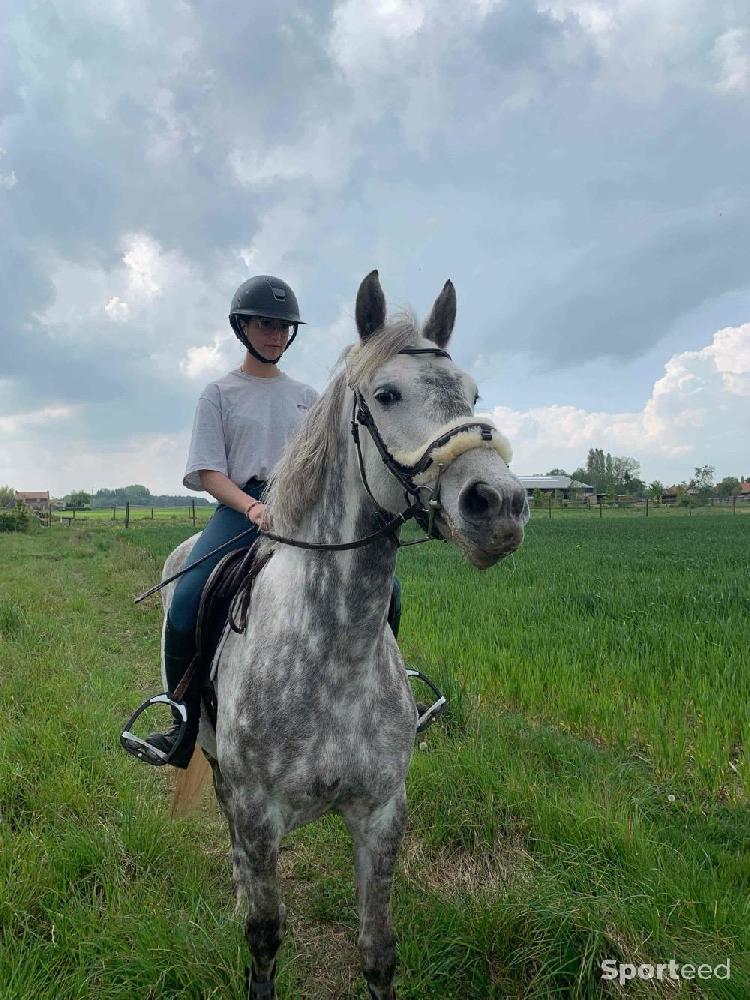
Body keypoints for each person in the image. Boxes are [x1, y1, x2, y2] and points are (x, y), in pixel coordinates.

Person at [142, 275, 403, 769]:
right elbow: (207, 470)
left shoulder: (308, 396)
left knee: (388, 592)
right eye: (265, 324)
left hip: (305, 509)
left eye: (284, 327)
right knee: (186, 602)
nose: (276, 335)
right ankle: (183, 720)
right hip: (242, 507)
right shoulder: (218, 394)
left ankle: (378, 700)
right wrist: (251, 507)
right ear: (242, 327)